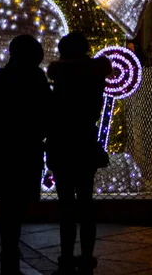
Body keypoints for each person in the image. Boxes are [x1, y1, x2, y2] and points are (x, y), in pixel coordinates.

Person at [0, 34, 52, 274]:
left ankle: (8, 249)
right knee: (16, 205)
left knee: (8, 203)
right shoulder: (36, 78)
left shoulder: (1, 77)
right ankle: (10, 248)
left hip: (2, 147)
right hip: (26, 148)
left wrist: (2, 125)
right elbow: (47, 111)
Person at [46, 32, 112, 275]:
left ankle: (66, 256)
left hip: (62, 142)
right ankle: (86, 257)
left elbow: (54, 111)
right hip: (85, 141)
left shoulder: (61, 76)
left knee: (66, 204)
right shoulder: (95, 75)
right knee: (85, 201)